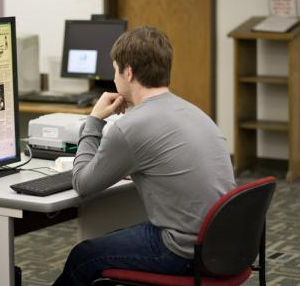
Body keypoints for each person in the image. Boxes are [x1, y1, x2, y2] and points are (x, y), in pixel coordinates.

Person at [52, 26, 236, 286]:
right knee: (114, 238)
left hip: (183, 250)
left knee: (84, 255)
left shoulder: (130, 127)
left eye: (115, 70)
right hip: (225, 244)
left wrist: (93, 120)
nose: (114, 77)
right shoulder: (192, 111)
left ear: (128, 72)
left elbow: (82, 183)